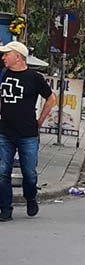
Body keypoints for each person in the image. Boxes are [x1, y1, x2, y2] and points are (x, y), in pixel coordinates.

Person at [0, 41, 57, 221]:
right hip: (5, 132)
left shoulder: (34, 78)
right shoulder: (2, 74)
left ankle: (31, 198)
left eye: (6, 54)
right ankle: (5, 209)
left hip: (28, 133)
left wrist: (40, 120)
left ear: (17, 56)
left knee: (29, 173)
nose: (3, 57)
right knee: (2, 171)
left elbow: (51, 98)